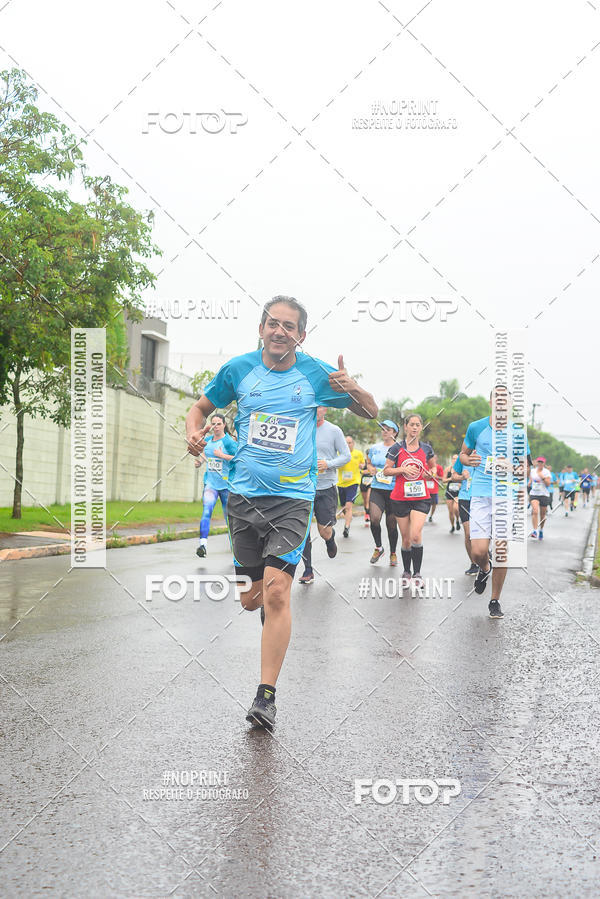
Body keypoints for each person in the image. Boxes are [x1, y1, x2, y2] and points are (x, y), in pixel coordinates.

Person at [185, 295, 377, 728]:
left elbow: (372, 412)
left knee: (276, 593)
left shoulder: (317, 374)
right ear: (261, 328)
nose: (279, 331)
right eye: (273, 323)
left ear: (301, 335)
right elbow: (199, 409)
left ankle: (265, 696)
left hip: (293, 500)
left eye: (289, 326)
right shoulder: (238, 370)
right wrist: (194, 433)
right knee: (251, 600)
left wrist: (354, 388)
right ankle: (270, 625)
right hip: (243, 500)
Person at [459, 386, 531, 619]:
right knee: (479, 550)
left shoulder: (518, 432)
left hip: (505, 496)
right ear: (490, 402)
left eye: (505, 399)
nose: (501, 402)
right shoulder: (476, 427)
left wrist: (510, 466)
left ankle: (494, 600)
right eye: (496, 398)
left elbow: (525, 468)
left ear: (510, 405)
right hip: (480, 493)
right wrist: (468, 459)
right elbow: (462, 455)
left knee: (501, 550)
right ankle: (484, 568)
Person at [299, 406, 350, 584]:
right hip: (304, 487)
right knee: (303, 530)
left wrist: (328, 464)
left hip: (326, 487)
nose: (314, 410)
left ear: (325, 409)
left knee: (324, 531)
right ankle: (308, 570)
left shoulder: (334, 430)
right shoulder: (301, 427)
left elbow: (346, 456)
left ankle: (330, 539)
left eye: (318, 407)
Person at [383, 413, 434, 587]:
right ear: (405, 427)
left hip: (421, 498)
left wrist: (430, 473)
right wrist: (402, 469)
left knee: (415, 535)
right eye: (411, 424)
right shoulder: (396, 448)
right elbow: (386, 471)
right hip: (399, 498)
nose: (414, 427)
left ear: (421, 427)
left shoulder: (427, 449)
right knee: (405, 539)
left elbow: (433, 468)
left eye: (417, 425)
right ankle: (406, 572)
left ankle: (418, 573)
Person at [195, 413, 237, 558]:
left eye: (218, 423)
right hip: (211, 484)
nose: (215, 427)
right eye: (213, 424)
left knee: (229, 519)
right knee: (206, 511)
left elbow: (238, 458)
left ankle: (236, 550)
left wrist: (222, 456)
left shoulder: (229, 442)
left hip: (226, 486)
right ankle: (202, 545)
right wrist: (199, 461)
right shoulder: (207, 441)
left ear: (224, 425)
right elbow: (205, 454)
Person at [365, 420, 399, 565]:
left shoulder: (399, 448)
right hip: (377, 488)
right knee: (374, 519)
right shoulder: (374, 448)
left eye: (388, 429)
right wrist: (370, 467)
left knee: (391, 525)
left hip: (393, 490)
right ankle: (379, 547)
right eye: (383, 429)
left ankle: (393, 553)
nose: (385, 431)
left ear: (395, 432)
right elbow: (369, 462)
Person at [452, 455, 478, 574]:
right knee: (468, 534)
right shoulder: (462, 458)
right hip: (465, 498)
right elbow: (453, 476)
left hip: (482, 498)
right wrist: (462, 477)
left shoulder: (487, 455)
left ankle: (484, 552)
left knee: (483, 532)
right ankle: (474, 563)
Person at [336, 436, 365, 538]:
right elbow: (336, 465)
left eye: (350, 443)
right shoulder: (340, 454)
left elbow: (363, 465)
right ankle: (348, 517)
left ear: (353, 443)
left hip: (353, 483)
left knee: (348, 506)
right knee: (344, 507)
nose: (348, 445)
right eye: (346, 443)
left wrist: (362, 466)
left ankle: (347, 527)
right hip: (341, 483)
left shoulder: (358, 454)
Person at [529, 456, 552, 540]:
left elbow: (548, 484)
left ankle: (541, 529)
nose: (540, 464)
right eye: (539, 462)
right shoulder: (532, 471)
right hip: (534, 494)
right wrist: (529, 483)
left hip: (544, 495)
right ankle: (535, 531)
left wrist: (542, 477)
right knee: (535, 511)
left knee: (542, 515)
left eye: (541, 462)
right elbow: (531, 480)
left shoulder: (546, 472)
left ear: (544, 463)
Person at [444, 453, 461, 532]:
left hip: (458, 492)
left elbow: (464, 479)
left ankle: (457, 520)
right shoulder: (448, 469)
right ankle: (452, 526)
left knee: (456, 509)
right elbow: (444, 480)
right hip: (449, 492)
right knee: (450, 511)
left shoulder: (460, 469)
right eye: (453, 458)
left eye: (456, 459)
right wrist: (451, 478)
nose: (454, 460)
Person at [427, 454, 444, 523]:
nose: (433, 460)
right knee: (425, 504)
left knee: (434, 504)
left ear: (436, 459)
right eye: (432, 458)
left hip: (434, 490)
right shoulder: (426, 466)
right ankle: (424, 515)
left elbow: (442, 478)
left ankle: (431, 515)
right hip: (426, 489)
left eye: (434, 458)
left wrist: (436, 476)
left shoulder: (439, 467)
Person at [359, 455, 373, 527]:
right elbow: (360, 471)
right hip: (363, 483)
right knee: (365, 500)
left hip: (370, 484)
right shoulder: (364, 463)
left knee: (368, 499)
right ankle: (366, 513)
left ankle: (368, 514)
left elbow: (374, 471)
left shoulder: (373, 463)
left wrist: (366, 471)